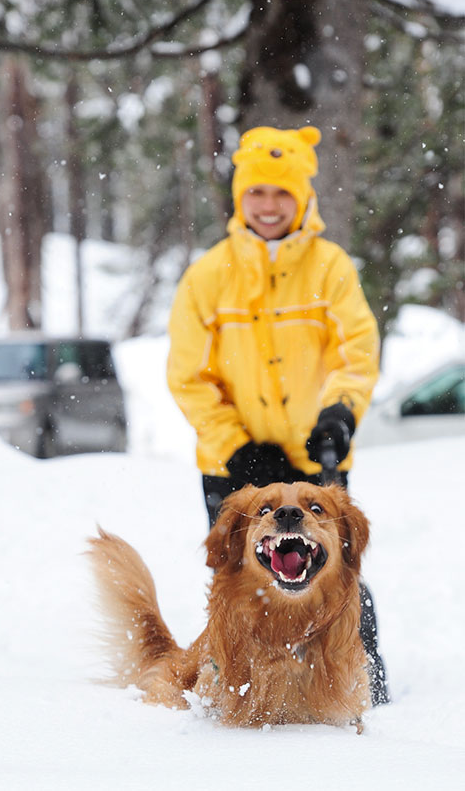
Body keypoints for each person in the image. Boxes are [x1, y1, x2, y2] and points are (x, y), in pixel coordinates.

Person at [167, 125, 389, 705]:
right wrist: (237, 447)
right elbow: (189, 377)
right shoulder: (209, 276)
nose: (269, 207)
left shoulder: (330, 267)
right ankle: (234, 685)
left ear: (303, 198)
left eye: (281, 194)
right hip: (231, 463)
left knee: (336, 576)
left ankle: (358, 681)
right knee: (238, 578)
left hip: (313, 458)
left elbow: (357, 352)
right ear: (241, 200)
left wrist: (340, 411)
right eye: (257, 194)